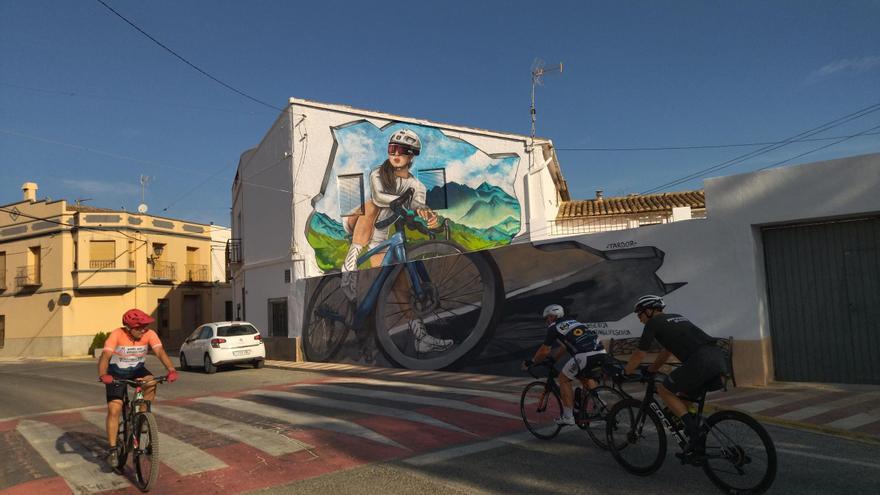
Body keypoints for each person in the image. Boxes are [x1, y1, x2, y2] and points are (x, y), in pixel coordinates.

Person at [340, 128, 450, 355]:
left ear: (412, 155)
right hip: (358, 222)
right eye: (392, 148)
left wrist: (426, 214)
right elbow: (380, 196)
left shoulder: (417, 186)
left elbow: (418, 204)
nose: (396, 153)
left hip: (380, 236)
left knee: (398, 281)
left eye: (403, 150)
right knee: (372, 204)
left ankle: (420, 336)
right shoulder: (378, 173)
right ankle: (349, 266)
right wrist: (404, 203)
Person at [622, 294, 729, 454]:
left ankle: (693, 432)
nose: (639, 319)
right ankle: (691, 424)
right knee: (685, 393)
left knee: (664, 389)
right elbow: (667, 351)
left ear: (649, 311)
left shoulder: (653, 322)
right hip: (718, 358)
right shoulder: (677, 317)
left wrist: (625, 372)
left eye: (640, 314)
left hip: (700, 361)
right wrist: (652, 369)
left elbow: (640, 353)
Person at [98, 308, 178, 467]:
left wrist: (171, 369)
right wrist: (103, 374)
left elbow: (160, 352)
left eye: (145, 327)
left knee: (151, 381)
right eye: (139, 328)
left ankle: (142, 416)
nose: (143, 330)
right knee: (114, 409)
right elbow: (105, 356)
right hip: (116, 373)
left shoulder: (149, 334)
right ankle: (113, 449)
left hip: (137, 370)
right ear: (129, 328)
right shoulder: (117, 335)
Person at [523, 304, 607, 426]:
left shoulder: (554, 327)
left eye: (547, 318)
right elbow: (565, 347)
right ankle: (600, 403)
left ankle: (568, 417)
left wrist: (532, 361)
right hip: (601, 352)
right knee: (584, 376)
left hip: (584, 355)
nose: (546, 321)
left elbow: (544, 350)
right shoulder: (575, 322)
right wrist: (554, 359)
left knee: (563, 378)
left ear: (552, 316)